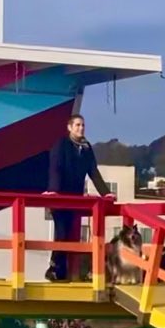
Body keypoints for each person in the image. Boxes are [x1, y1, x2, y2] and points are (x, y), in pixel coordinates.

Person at [44, 114, 112, 280]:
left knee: (71, 233)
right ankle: (54, 268)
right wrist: (54, 190)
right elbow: (56, 167)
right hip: (60, 196)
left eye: (82, 125)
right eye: (77, 125)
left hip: (76, 198)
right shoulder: (62, 144)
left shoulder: (86, 147)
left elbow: (93, 171)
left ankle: (63, 271)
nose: (81, 128)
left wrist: (105, 192)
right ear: (69, 127)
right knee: (61, 232)